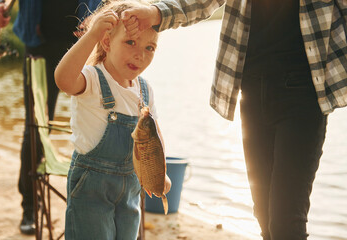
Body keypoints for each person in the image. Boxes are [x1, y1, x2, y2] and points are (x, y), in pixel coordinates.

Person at [121, 1, 347, 239]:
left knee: (286, 222)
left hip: (303, 96)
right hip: (251, 93)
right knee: (263, 214)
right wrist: (156, 13)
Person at [54, 0, 171, 239]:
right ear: (106, 42)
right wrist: (92, 34)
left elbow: (154, 137)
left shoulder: (144, 89)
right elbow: (63, 79)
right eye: (130, 42)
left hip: (130, 190)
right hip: (91, 189)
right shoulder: (92, 79)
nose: (140, 55)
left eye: (150, 48)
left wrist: (160, 172)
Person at [0, 0, 100, 235]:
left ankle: (100, 204)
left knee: (101, 124)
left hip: (88, 46)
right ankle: (30, 208)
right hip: (39, 44)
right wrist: (0, 5)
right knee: (36, 128)